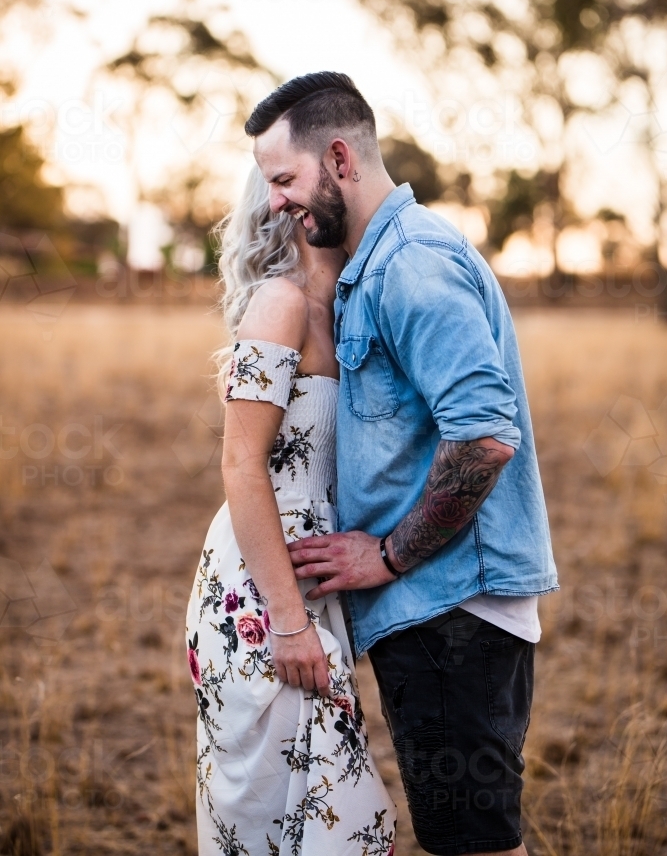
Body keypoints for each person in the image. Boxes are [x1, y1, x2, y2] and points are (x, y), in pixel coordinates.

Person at [245, 72, 559, 856]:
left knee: (472, 844)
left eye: (283, 179)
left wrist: (387, 553)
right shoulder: (378, 262)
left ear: (340, 158)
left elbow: (485, 436)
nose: (275, 202)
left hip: (451, 611)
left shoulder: (408, 265)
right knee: (470, 836)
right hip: (438, 609)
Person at [185, 166, 396, 855]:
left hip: (315, 574)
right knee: (279, 815)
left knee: (323, 814)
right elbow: (240, 464)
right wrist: (286, 620)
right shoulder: (280, 302)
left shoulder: (359, 312)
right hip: (261, 590)